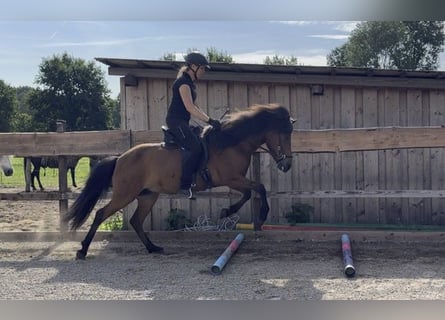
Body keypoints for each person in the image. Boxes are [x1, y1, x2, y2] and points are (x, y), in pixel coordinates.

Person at [165, 52, 221, 199]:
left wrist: (210, 121)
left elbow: (196, 108)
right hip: (176, 122)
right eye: (202, 68)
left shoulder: (190, 84)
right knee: (195, 147)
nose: (203, 72)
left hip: (183, 122)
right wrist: (209, 121)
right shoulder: (183, 83)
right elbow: (190, 107)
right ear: (193, 66)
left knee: (202, 139)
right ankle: (184, 185)